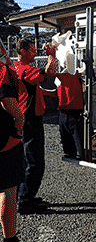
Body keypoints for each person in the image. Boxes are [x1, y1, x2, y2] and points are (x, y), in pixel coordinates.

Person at [15, 38, 56, 214]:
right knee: (35, 163)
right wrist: (52, 56)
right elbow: (49, 73)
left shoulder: (16, 68)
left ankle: (23, 195)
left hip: (24, 117)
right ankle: (24, 202)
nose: (35, 52)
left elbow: (35, 88)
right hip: (30, 118)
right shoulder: (25, 69)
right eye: (32, 50)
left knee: (25, 160)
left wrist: (54, 95)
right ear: (22, 51)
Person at [0, 59, 34, 242]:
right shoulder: (1, 70)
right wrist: (19, 119)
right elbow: (6, 97)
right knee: (8, 191)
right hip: (4, 140)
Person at [55, 71, 84, 160]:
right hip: (64, 110)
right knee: (66, 133)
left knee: (77, 134)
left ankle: (82, 154)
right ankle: (71, 152)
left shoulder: (76, 74)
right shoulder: (59, 75)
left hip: (74, 110)